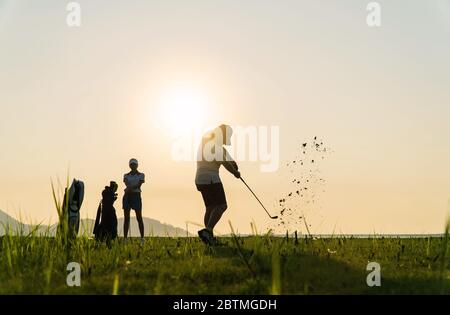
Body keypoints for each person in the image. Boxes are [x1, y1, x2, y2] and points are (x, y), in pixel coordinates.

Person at [195, 124, 240, 245]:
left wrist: (232, 163)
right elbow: (225, 163)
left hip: (199, 179)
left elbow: (227, 159)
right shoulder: (215, 146)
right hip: (211, 178)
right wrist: (235, 173)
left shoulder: (208, 142)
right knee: (221, 206)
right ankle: (208, 231)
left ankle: (208, 236)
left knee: (210, 208)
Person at [123, 158, 145, 242]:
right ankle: (125, 238)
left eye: (134, 165)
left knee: (139, 217)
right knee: (126, 218)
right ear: (129, 165)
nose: (133, 166)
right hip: (127, 196)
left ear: (137, 165)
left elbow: (139, 185)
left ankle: (142, 238)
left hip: (136, 196)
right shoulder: (126, 175)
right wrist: (130, 188)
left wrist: (130, 188)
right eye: (131, 165)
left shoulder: (141, 175)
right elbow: (126, 183)